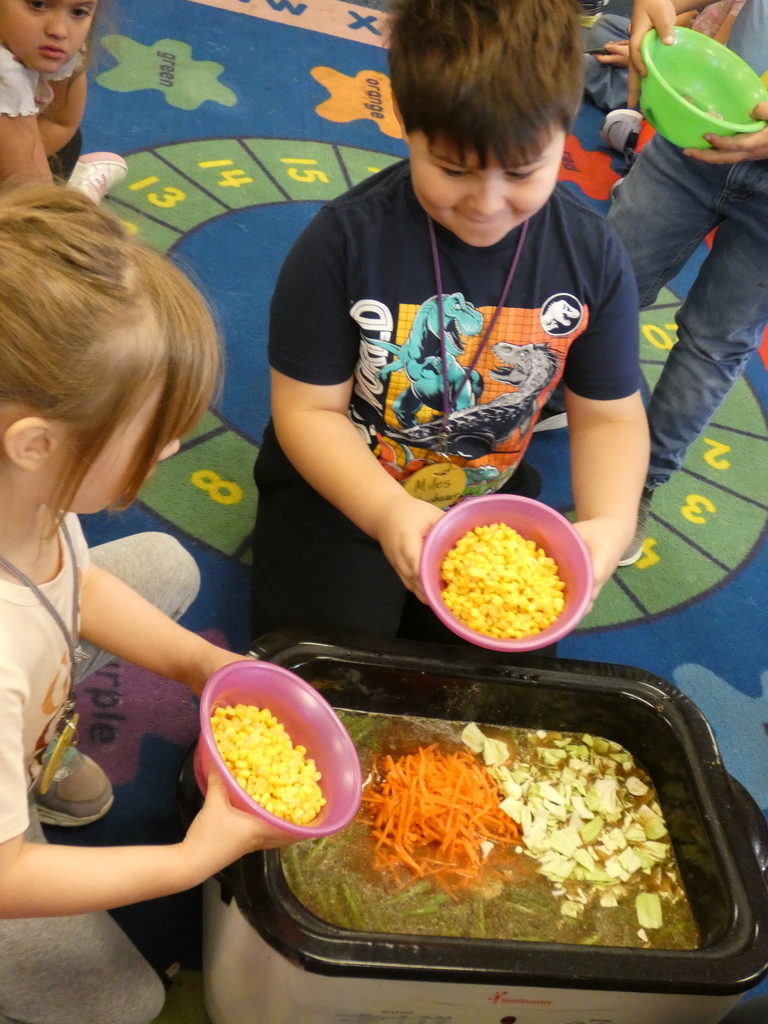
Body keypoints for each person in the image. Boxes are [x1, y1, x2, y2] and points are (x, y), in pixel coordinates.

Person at [249, 0, 649, 645]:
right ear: (407, 126)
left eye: (522, 172)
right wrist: (385, 513)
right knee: (329, 656)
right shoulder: (343, 244)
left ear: (565, 134)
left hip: (483, 501)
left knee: (491, 687)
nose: (487, 204)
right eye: (454, 170)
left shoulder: (591, 255)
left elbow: (610, 417)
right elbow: (307, 413)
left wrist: (609, 522)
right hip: (348, 488)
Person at [0, 183, 295, 1024]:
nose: (173, 448)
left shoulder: (28, 495)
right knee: (125, 1003)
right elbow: (8, 881)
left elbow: (73, 586)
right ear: (37, 443)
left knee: (161, 564)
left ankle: (32, 767)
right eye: (155, 433)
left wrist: (200, 661)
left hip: (22, 695)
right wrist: (190, 859)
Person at [606, 0, 768, 564]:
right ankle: (537, 397)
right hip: (698, 117)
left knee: (715, 340)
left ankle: (638, 485)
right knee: (608, 280)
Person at [0, 0, 126, 201]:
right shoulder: (4, 74)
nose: (59, 30)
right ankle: (79, 198)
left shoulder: (47, 43)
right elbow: (36, 203)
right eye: (38, 4)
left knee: (67, 145)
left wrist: (20, 158)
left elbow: (60, 122)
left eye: (78, 11)